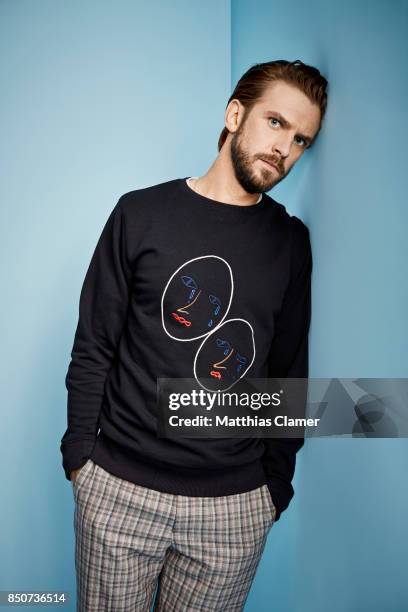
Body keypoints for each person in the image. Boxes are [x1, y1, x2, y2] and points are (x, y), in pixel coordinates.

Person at [60, 59, 328, 611]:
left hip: (233, 509)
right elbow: (94, 343)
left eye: (301, 139)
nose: (285, 148)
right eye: (276, 123)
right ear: (235, 115)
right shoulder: (140, 214)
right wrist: (80, 457)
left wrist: (274, 487)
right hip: (118, 491)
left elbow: (287, 369)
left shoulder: (291, 243)